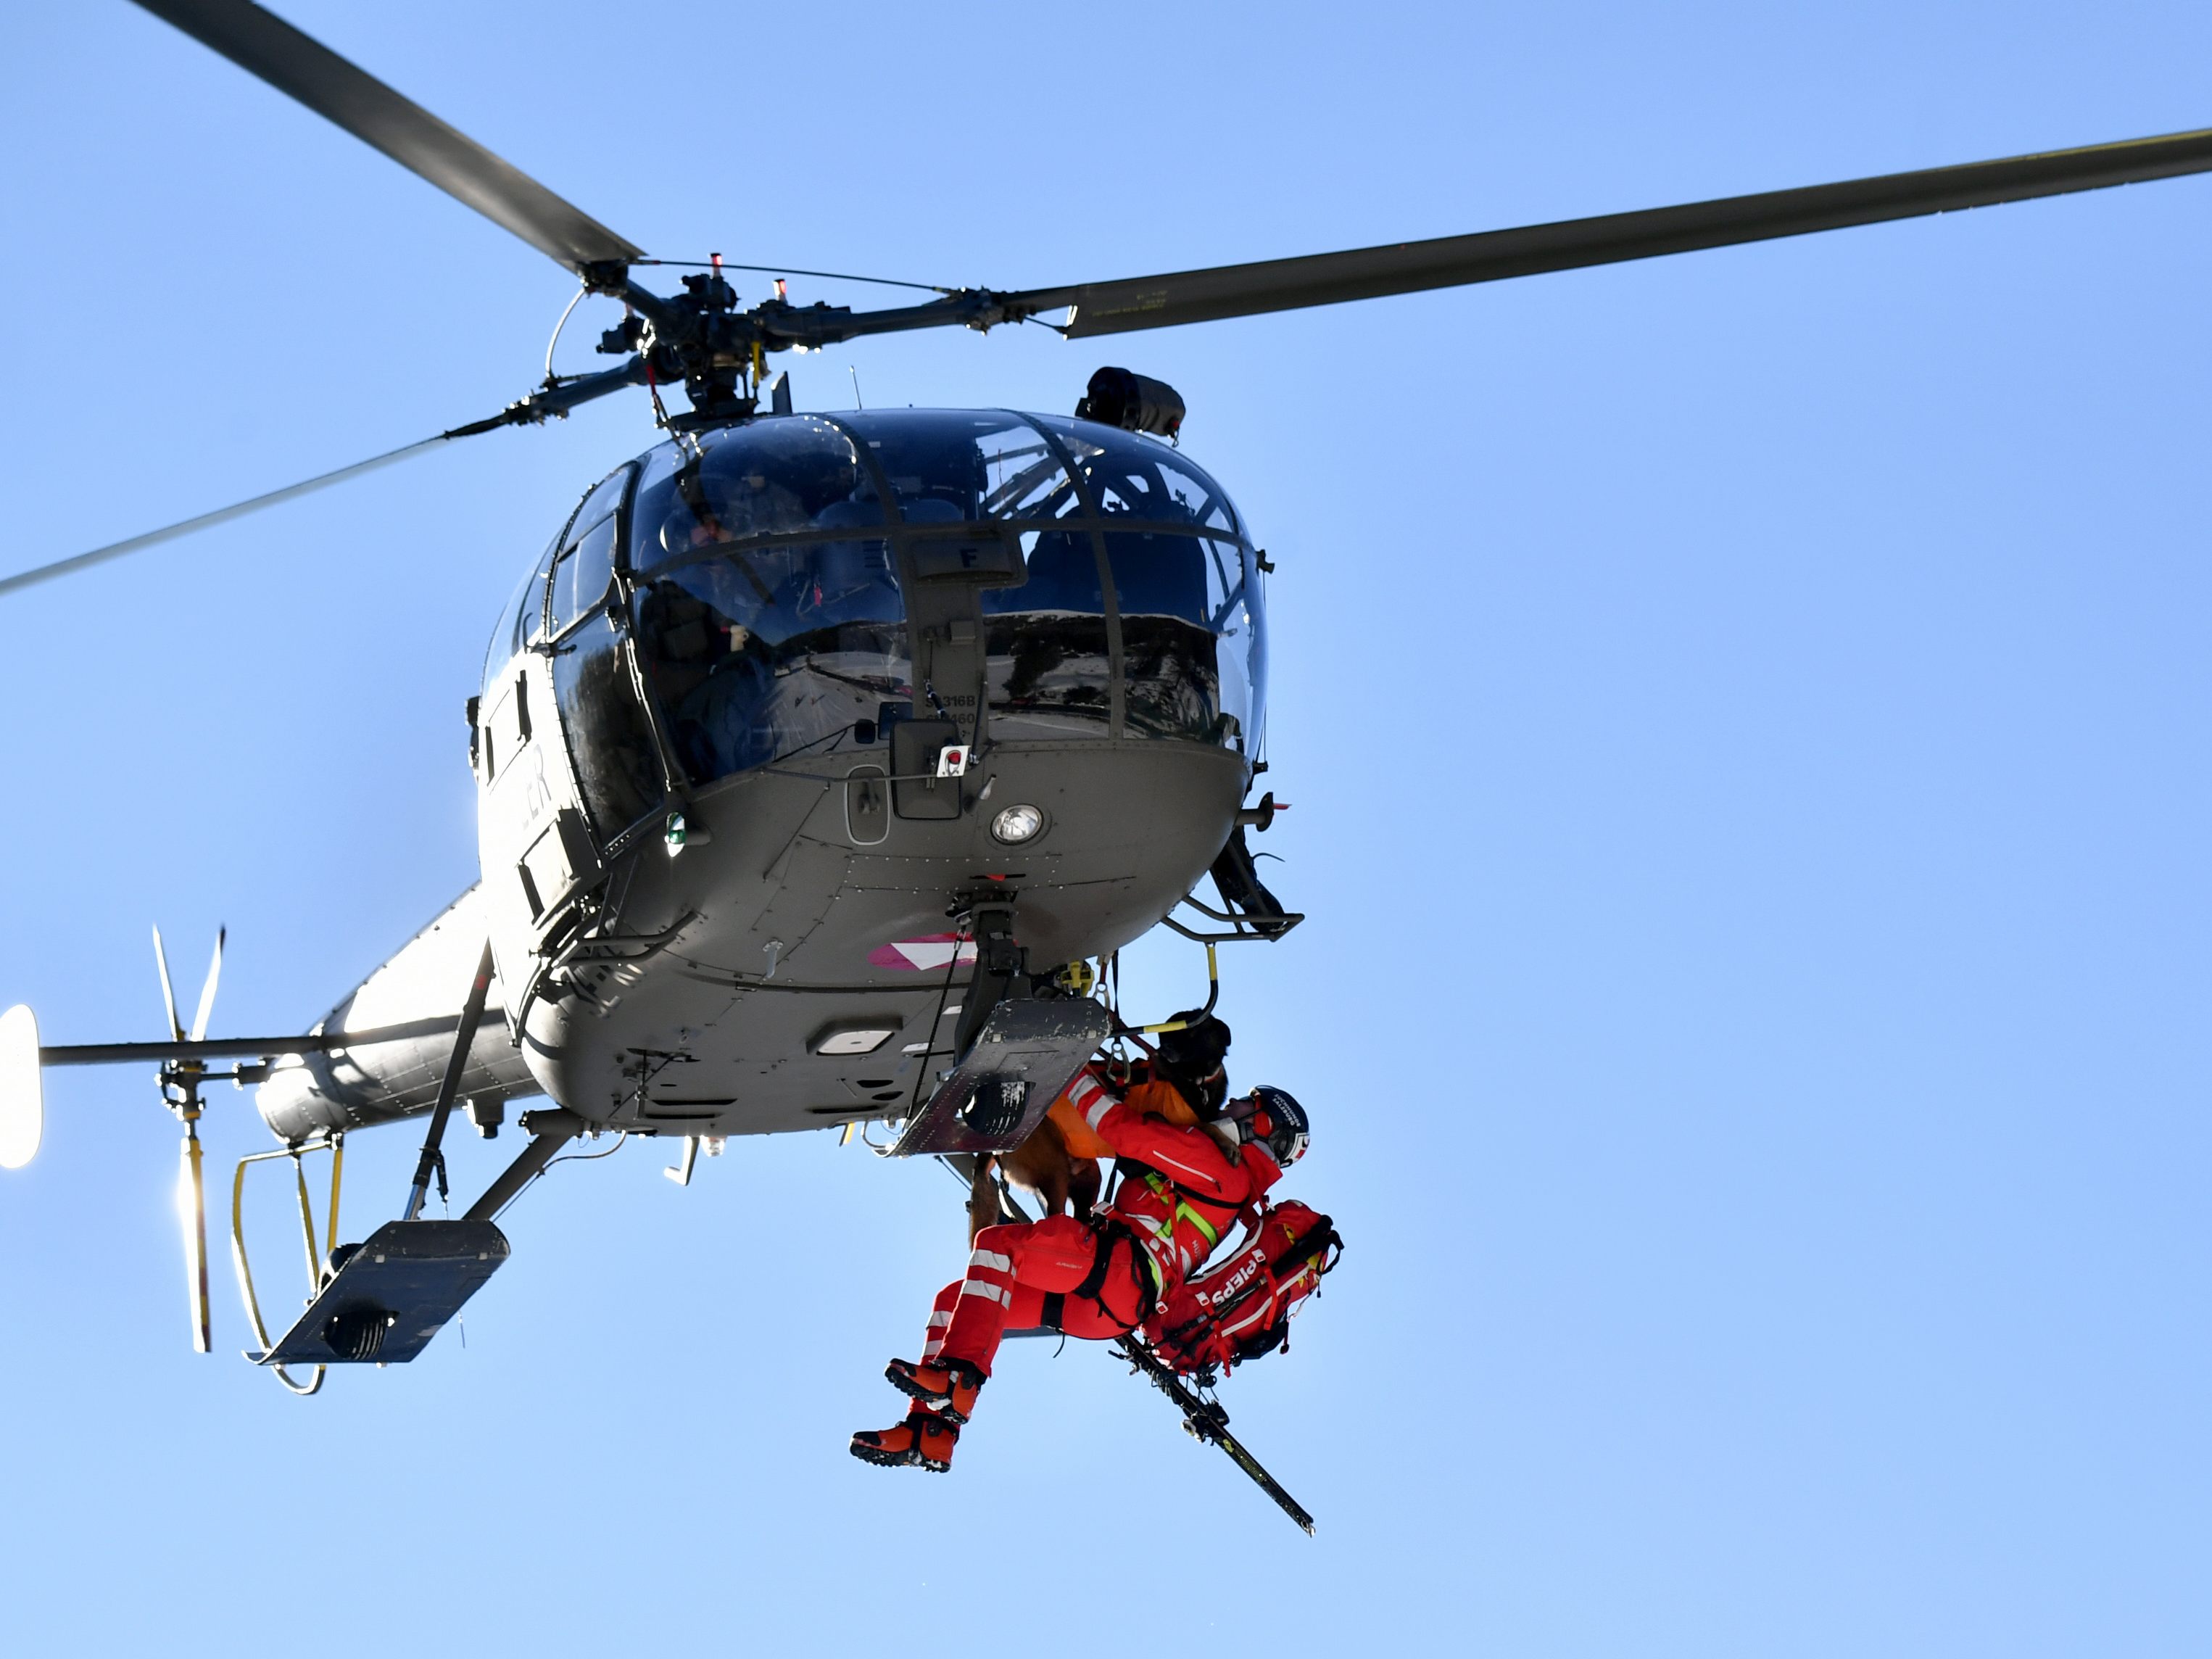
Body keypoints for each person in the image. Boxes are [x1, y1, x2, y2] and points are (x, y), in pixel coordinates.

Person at [850, 1075, 1310, 1473]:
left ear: (1262, 1126)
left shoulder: (1221, 1167)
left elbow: (1117, 1128)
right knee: (954, 1300)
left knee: (997, 1247)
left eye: (1247, 1104)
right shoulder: (1227, 1178)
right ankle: (928, 1433)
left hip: (1113, 1271)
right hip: (1106, 1306)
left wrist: (1070, 1072)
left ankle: (958, 1382)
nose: (1231, 1105)